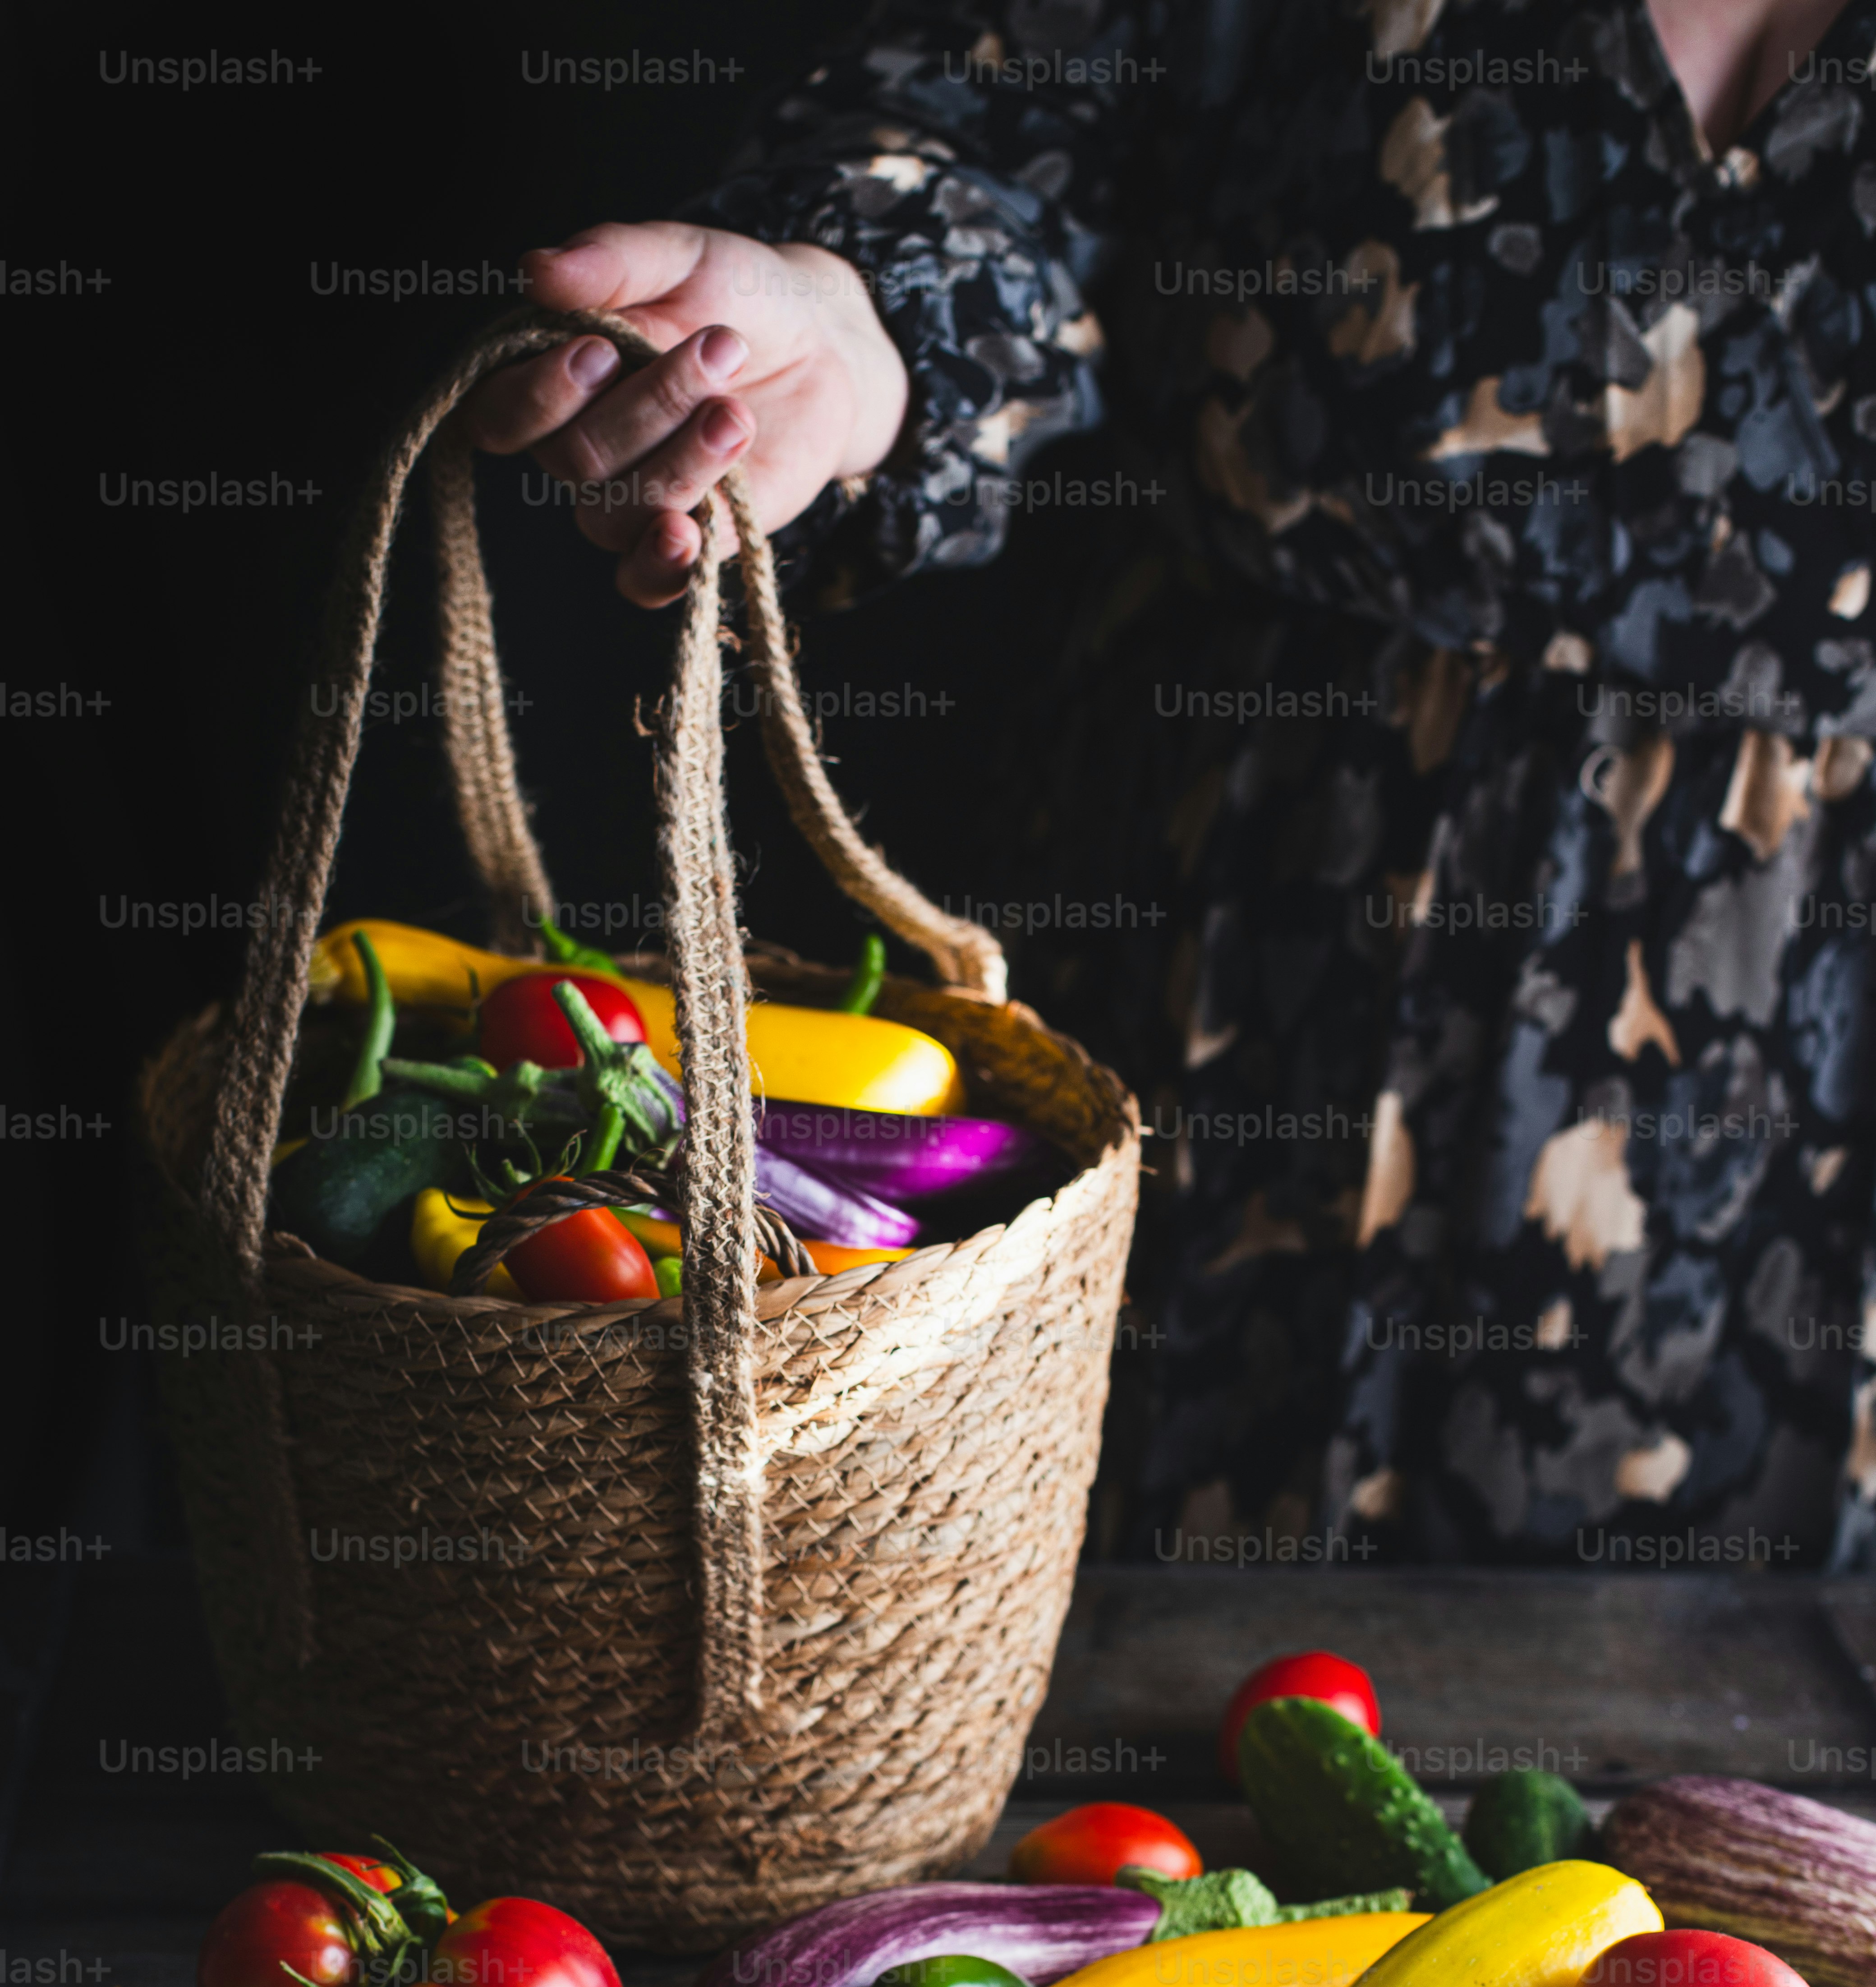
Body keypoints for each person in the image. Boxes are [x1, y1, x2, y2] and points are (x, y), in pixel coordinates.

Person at [468, 0, 1876, 1568]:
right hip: (1241, 992)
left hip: (1822, 1144)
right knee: (1088, 1690)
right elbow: (987, 132)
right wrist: (849, 316)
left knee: (1775, 1769)